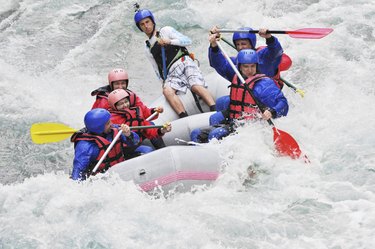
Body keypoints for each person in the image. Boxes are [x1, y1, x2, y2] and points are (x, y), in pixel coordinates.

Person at [190, 49, 289, 143]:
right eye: (246, 66)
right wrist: (214, 47)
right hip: (234, 120)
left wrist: (272, 111)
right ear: (240, 67)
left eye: (252, 66)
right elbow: (219, 64)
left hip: (251, 125)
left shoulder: (264, 84)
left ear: (257, 66)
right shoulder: (236, 76)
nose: (250, 70)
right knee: (196, 133)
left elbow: (283, 103)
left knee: (215, 134)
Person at [134, 9, 216, 118]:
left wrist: (170, 41)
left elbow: (187, 41)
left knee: (195, 86)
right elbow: (157, 69)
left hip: (184, 62)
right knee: (167, 91)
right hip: (172, 72)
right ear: (140, 27)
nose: (146, 26)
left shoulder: (166, 31)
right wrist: (163, 82)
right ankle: (184, 118)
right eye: (142, 24)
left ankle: (215, 110)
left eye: (147, 22)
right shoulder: (148, 49)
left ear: (152, 21)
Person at [209, 26, 291, 114]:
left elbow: (276, 51)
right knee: (221, 102)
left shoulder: (265, 58)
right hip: (246, 102)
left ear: (252, 43)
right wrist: (214, 45)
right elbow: (218, 64)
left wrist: (269, 38)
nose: (240, 47)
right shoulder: (235, 64)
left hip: (267, 99)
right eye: (238, 44)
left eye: (243, 44)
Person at [71, 108, 140, 181]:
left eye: (110, 121)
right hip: (102, 180)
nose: (111, 124)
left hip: (121, 170)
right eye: (108, 123)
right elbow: (77, 174)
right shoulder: (85, 147)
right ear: (99, 128)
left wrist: (128, 134)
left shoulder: (114, 129)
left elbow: (135, 142)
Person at [108, 89, 172, 158]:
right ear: (114, 106)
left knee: (151, 127)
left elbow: (148, 128)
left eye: (126, 102)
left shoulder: (135, 113)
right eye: (121, 104)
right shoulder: (112, 119)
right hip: (123, 149)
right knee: (148, 150)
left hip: (135, 144)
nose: (125, 105)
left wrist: (161, 130)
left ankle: (163, 152)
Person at [91, 68, 163, 121]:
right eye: (117, 84)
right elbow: (95, 119)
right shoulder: (104, 99)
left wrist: (154, 111)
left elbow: (144, 112)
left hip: (131, 127)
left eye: (123, 83)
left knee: (151, 126)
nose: (120, 87)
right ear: (111, 84)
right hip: (114, 130)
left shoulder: (131, 96)